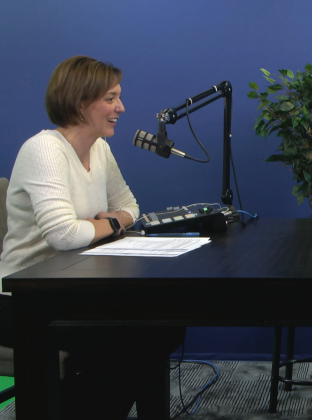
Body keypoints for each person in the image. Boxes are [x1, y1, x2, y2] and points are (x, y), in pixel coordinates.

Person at [0, 56, 184, 419]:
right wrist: (111, 225)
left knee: (164, 325)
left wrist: (110, 221)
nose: (121, 107)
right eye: (111, 98)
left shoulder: (99, 148)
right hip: (22, 299)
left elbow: (130, 206)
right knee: (132, 337)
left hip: (75, 287)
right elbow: (64, 234)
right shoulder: (45, 150)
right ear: (81, 101)